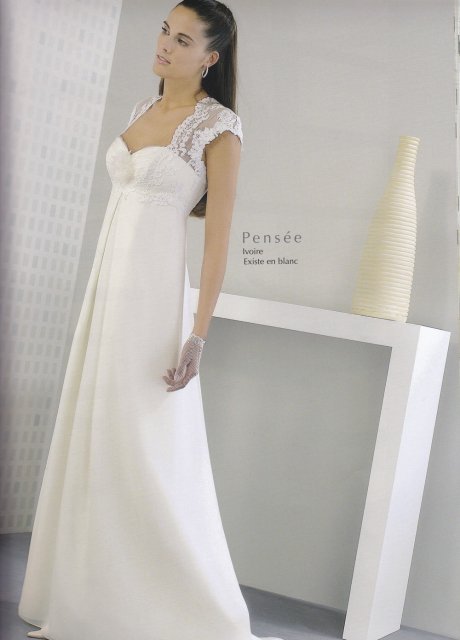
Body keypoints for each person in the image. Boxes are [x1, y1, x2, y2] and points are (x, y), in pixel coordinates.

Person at [18, 1, 285, 639]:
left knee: (139, 442)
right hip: (107, 290)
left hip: (152, 301)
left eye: (183, 39)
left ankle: (167, 606)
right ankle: (87, 594)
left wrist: (198, 334)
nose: (165, 43)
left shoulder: (219, 128)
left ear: (210, 57)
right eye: (166, 30)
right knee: (97, 431)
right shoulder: (142, 109)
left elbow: (217, 242)